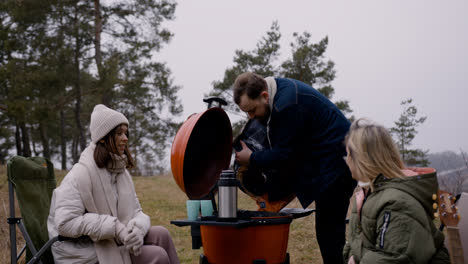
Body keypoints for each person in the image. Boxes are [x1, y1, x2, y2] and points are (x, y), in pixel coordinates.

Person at [233, 72, 356, 264]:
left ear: (264, 96)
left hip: (338, 166)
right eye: (246, 112)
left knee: (329, 236)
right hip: (330, 163)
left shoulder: (287, 105)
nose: (251, 117)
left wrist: (252, 157)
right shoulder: (277, 94)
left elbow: (284, 155)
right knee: (330, 234)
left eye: (252, 110)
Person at [47, 104, 180, 264]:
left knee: (162, 234)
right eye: (119, 133)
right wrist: (115, 228)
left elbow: (137, 211)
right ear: (103, 137)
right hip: (82, 250)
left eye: (126, 133)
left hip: (112, 240)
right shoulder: (80, 174)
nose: (125, 138)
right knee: (157, 255)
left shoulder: (120, 172)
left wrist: (137, 230)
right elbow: (65, 223)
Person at [343, 118, 450, 263]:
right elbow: (358, 242)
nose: (346, 160)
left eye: (349, 154)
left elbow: (394, 258)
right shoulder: (369, 193)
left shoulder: (396, 204)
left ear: (362, 159)